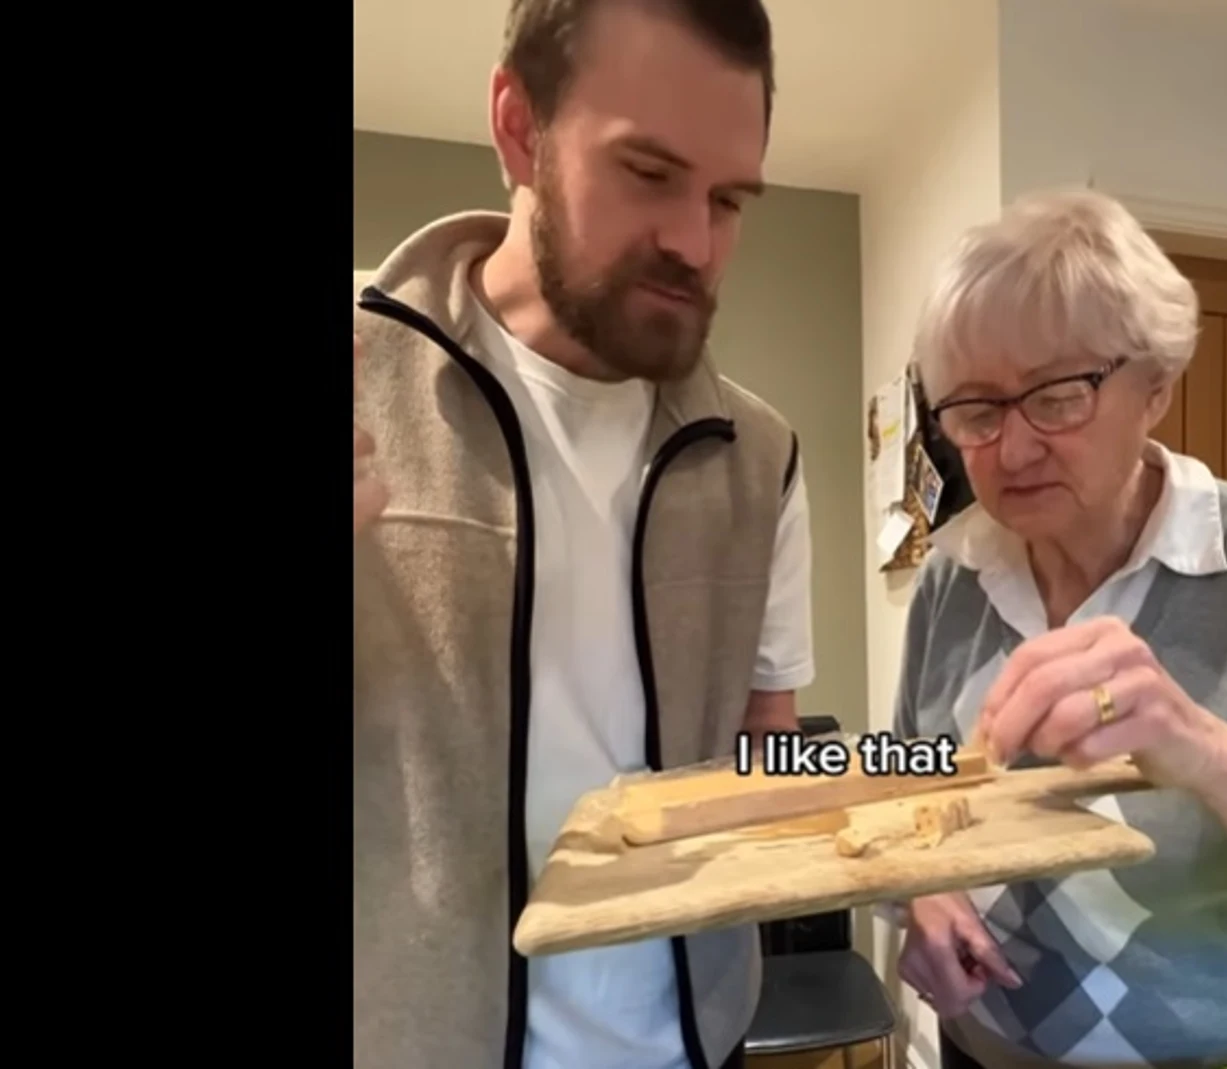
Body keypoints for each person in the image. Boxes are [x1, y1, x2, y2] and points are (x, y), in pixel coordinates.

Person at [351, 2, 813, 1068]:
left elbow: (766, 748)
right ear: (519, 125)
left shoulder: (765, 456)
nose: (696, 244)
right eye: (648, 172)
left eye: (730, 198)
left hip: (699, 1046)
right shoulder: (361, 381)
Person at [888, 189, 1227, 1069]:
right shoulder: (951, 576)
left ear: (1156, 388)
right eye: (977, 411)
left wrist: (1195, 739)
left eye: (1058, 396)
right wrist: (924, 889)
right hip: (980, 1052)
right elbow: (912, 778)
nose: (1013, 450)